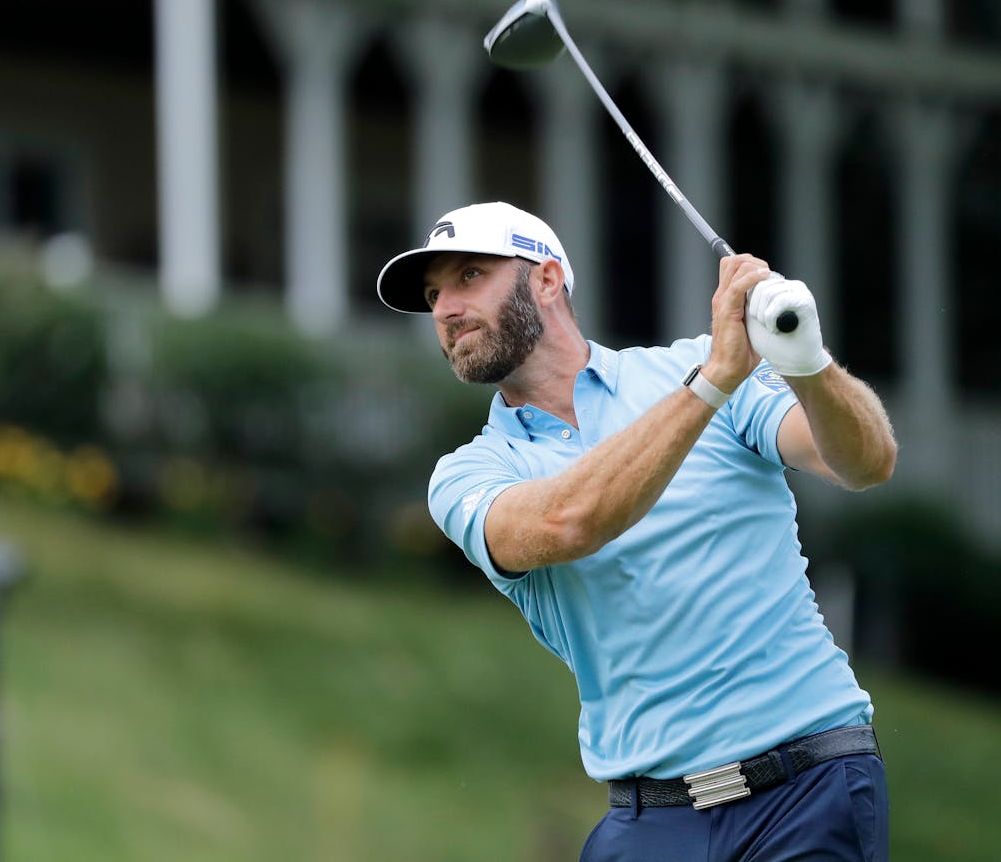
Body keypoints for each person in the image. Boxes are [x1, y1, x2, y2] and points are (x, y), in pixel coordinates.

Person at [377, 201, 898, 861]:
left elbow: (865, 461)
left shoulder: (700, 367)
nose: (445, 308)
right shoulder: (467, 473)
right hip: (652, 820)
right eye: (432, 294)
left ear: (546, 279)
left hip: (807, 785)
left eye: (470, 276)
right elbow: (568, 522)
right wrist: (713, 382)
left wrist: (809, 363)